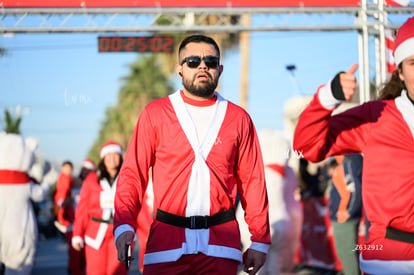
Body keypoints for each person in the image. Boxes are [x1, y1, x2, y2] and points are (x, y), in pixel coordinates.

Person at [113, 34, 271, 275]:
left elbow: (253, 182)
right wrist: (124, 224)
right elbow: (133, 174)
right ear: (179, 69)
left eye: (209, 61)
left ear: (220, 68)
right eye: (193, 61)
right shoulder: (154, 114)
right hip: (165, 245)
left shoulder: (239, 119)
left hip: (221, 247)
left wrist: (259, 240)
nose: (202, 66)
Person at [293, 16, 414, 274]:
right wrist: (328, 97)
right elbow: (307, 146)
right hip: (390, 261)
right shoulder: (376, 116)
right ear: (400, 72)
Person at [236, 129, 302, 275]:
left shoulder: (256, 171)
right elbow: (294, 207)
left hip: (257, 224)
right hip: (283, 223)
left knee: (253, 267)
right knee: (275, 266)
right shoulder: (289, 173)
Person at [0, 131, 55, 275]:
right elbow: (40, 194)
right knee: (19, 266)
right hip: (19, 234)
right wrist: (48, 182)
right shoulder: (25, 184)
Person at [72, 141, 128, 275]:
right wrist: (77, 234)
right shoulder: (92, 179)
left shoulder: (127, 178)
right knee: (96, 271)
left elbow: (139, 207)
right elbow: (82, 209)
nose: (112, 158)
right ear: (103, 158)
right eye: (109, 155)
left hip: (120, 233)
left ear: (121, 157)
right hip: (95, 234)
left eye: (116, 154)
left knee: (119, 271)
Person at [326, 154, 363, 275]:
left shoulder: (347, 162)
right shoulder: (346, 162)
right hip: (342, 216)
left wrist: (348, 212)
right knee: (346, 254)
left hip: (345, 218)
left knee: (347, 255)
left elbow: (355, 190)